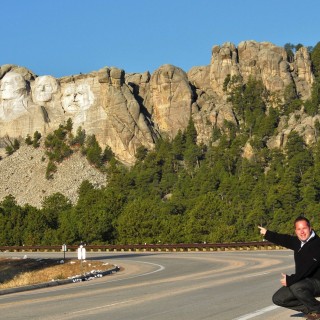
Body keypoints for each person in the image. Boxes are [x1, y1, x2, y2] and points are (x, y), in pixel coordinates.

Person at [258, 217, 320, 320]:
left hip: (317, 282)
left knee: (296, 286)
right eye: (299, 229)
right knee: (278, 298)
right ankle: (312, 309)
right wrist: (267, 233)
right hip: (305, 282)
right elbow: (284, 239)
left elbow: (307, 269)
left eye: (304, 228)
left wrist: (290, 280)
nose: (302, 232)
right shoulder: (298, 242)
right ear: (295, 231)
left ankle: (317, 310)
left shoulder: (317, 244)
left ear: (310, 228)